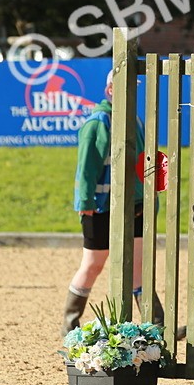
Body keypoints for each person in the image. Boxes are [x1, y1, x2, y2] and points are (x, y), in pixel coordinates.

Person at [61, 70, 152, 336]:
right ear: (110, 90)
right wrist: (85, 202)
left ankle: (156, 325)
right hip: (100, 207)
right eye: (125, 88)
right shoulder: (98, 122)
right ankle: (69, 326)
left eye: (133, 88)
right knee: (92, 266)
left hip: (133, 205)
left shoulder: (133, 119)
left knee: (138, 269)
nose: (131, 94)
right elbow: (86, 168)